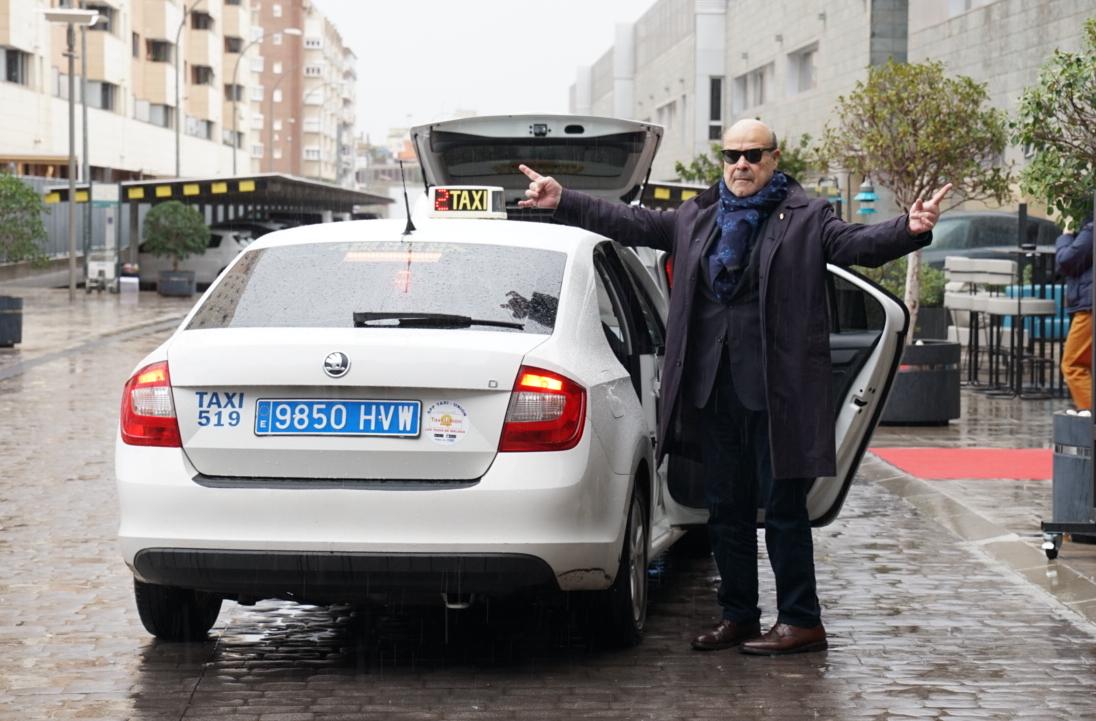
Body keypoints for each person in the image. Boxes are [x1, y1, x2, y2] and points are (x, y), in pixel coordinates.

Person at [518, 118, 950, 655]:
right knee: (726, 510)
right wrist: (564, 199)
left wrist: (909, 229)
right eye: (732, 156)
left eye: (752, 155)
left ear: (773, 159)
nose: (740, 165)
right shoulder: (698, 216)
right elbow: (632, 223)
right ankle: (739, 615)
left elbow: (858, 245)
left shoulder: (806, 218)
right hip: (712, 390)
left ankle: (800, 620)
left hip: (777, 393)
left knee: (784, 509)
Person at [1056, 215, 1095, 414]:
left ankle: (1090, 415)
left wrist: (1066, 235)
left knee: (1072, 364)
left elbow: (1065, 261)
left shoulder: (1091, 231)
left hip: (1089, 306)